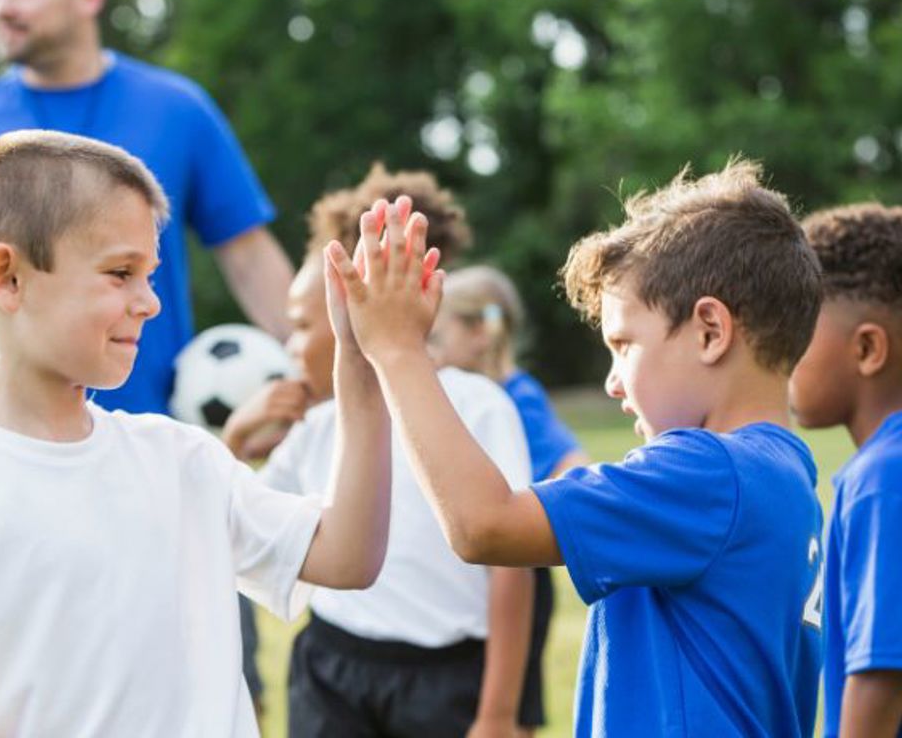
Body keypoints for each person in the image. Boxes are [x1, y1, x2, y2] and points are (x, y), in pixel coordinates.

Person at [0, 130, 400, 738]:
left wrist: (362, 369)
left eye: (150, 275)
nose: (150, 302)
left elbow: (348, 555)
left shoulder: (180, 457)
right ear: (7, 277)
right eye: (120, 273)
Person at [327, 160, 826, 737]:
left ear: (710, 331)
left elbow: (484, 525)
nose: (614, 381)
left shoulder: (708, 472)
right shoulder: (788, 478)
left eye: (624, 345)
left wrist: (396, 349)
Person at [0, 0, 293, 453]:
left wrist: (320, 381)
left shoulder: (178, 110)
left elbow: (250, 259)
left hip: (150, 439)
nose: (1, 7)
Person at [228, 165, 535, 738]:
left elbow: (511, 573)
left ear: (348, 310)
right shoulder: (314, 425)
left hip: (445, 681)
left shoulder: (478, 405)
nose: (290, 345)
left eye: (299, 324)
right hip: (332, 671)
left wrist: (497, 713)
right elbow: (239, 525)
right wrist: (235, 442)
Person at [430, 264, 590, 736]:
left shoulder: (516, 398)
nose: (430, 353)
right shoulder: (466, 395)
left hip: (516, 574)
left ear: (480, 332)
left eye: (437, 338)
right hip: (474, 573)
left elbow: (571, 463)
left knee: (514, 704)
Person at [789, 203, 902, 738]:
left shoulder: (884, 476)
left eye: (798, 332)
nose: (782, 353)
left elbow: (881, 677)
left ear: (866, 348)